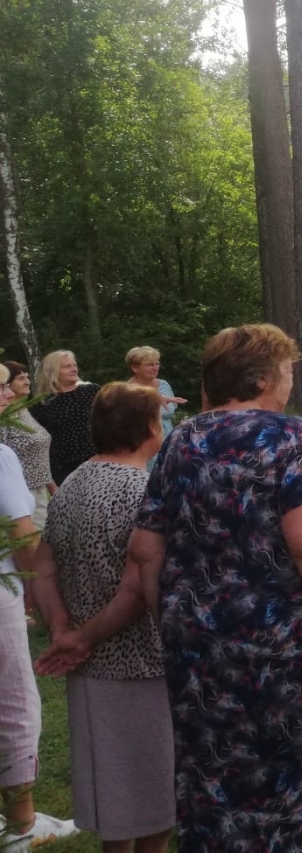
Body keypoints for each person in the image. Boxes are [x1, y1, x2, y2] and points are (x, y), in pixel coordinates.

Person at [126, 323, 302, 851]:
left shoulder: (179, 442)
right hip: (284, 648)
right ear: (263, 378)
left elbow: (146, 549)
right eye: (288, 370)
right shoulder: (287, 436)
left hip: (198, 648)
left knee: (216, 778)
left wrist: (175, 626)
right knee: (299, 783)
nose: (290, 380)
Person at [27, 383, 176, 853]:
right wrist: (78, 639)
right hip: (142, 665)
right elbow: (136, 590)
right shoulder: (144, 491)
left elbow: (42, 565)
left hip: (89, 670)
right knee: (154, 801)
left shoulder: (71, 484)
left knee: (118, 800)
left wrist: (61, 630)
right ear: (151, 429)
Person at [0, 366, 80, 848]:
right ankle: (22, 825)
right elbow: (24, 535)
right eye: (0, 385)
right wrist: (49, 604)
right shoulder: (1, 453)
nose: (9, 390)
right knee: (12, 699)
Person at [0, 361, 56, 530]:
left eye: (27, 377)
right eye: (20, 378)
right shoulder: (6, 416)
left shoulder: (22, 410)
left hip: (38, 489)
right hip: (20, 491)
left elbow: (38, 453)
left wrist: (52, 486)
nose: (27, 381)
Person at [31, 350, 100, 485]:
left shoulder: (92, 391)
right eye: (67, 366)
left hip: (99, 459)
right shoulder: (42, 404)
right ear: (53, 371)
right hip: (64, 467)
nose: (74, 369)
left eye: (74, 365)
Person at [125, 346, 187, 438]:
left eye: (157, 363)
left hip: (166, 441)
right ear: (135, 368)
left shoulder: (163, 384)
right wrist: (155, 400)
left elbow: (169, 411)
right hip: (141, 443)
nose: (155, 368)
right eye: (150, 364)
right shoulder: (126, 390)